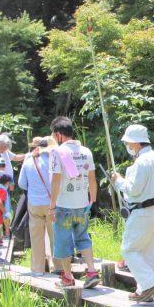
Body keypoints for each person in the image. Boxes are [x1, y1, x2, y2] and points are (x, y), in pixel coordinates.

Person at [110, 124, 154, 301]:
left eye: (128, 142)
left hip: (142, 211)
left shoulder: (142, 162)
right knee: (147, 251)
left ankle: (149, 283)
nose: (127, 146)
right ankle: (144, 291)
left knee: (129, 250)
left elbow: (133, 189)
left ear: (135, 143)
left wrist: (118, 181)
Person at [48, 117, 99, 288]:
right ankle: (91, 271)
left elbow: (55, 181)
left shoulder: (58, 152)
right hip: (82, 205)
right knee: (83, 238)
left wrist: (52, 205)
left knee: (62, 241)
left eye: (54, 136)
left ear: (59, 134)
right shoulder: (86, 151)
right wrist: (92, 199)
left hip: (64, 205)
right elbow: (92, 178)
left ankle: (68, 278)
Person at [18, 136, 55, 273]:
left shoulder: (28, 162)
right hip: (52, 203)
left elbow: (21, 184)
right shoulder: (54, 162)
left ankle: (37, 270)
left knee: (36, 238)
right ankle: (57, 268)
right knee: (54, 237)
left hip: (34, 203)